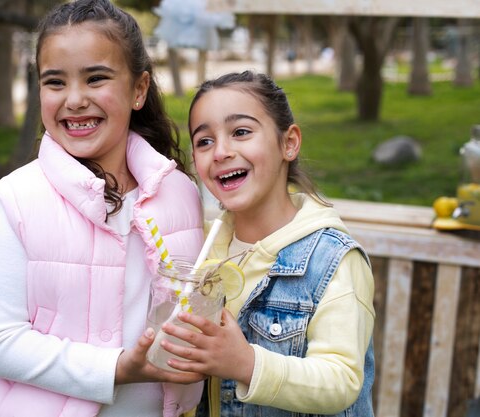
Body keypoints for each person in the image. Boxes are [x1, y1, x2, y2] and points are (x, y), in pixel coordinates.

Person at [0, 1, 206, 416]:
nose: (74, 100)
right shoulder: (16, 202)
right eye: (55, 83)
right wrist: (116, 368)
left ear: (138, 90)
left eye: (96, 78)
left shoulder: (180, 193)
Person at [159, 71, 376, 416]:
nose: (221, 152)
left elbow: (341, 380)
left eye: (241, 132)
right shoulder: (204, 250)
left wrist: (245, 363)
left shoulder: (333, 260)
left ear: (288, 143)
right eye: (204, 141)